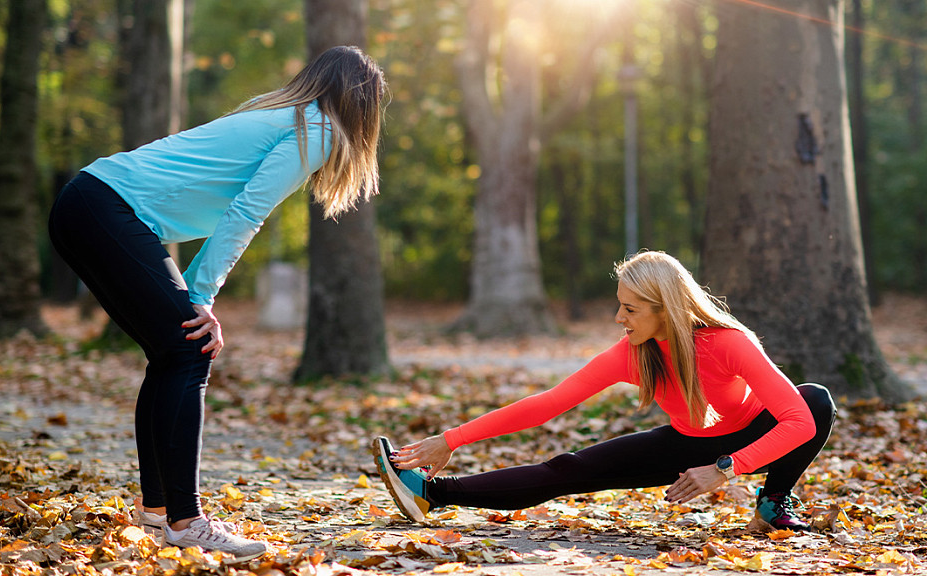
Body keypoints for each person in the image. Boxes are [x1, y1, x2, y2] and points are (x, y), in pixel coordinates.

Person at [49, 46, 387, 561]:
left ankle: (160, 510)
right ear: (362, 106)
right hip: (106, 206)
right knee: (190, 348)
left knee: (171, 353)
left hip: (89, 202)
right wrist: (200, 297)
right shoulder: (316, 130)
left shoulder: (277, 113)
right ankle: (186, 520)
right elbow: (245, 212)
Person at [373, 251, 836, 532]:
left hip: (754, 434)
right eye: (620, 306)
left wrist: (725, 469)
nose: (620, 318)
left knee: (815, 399)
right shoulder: (632, 353)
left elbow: (798, 420)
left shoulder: (728, 344)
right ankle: (432, 494)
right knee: (566, 470)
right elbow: (547, 404)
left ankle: (774, 504)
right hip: (684, 443)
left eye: (630, 309)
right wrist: (451, 439)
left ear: (665, 309)